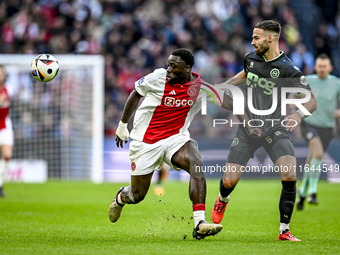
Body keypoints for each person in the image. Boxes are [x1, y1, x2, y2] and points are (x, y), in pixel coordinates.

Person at [109, 48, 259, 240]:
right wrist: (122, 125)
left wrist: (249, 126)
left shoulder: (200, 87)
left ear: (187, 68)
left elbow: (232, 101)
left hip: (175, 138)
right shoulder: (157, 78)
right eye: (168, 64)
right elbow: (136, 94)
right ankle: (122, 196)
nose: (169, 68)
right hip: (145, 141)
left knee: (196, 163)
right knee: (137, 195)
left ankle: (199, 223)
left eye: (174, 65)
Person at [211, 20, 317, 241]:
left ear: (271, 38)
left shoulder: (289, 69)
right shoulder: (251, 58)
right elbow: (243, 75)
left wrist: (298, 114)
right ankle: (223, 198)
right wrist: (223, 86)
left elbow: (311, 101)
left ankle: (284, 230)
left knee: (289, 174)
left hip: (275, 127)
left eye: (256, 38)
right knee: (229, 181)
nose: (252, 42)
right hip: (248, 126)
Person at [295, 54, 340, 210]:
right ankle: (312, 192)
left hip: (327, 127)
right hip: (309, 123)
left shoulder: (336, 83)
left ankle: (302, 191)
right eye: (319, 66)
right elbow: (293, 95)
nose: (322, 69)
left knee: (313, 157)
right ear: (315, 67)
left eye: (324, 66)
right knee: (318, 154)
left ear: (330, 68)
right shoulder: (308, 80)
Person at [0, 65, 14, 197]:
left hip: (5, 125)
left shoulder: (8, 88)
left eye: (1, 73)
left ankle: (0, 184)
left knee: (7, 155)